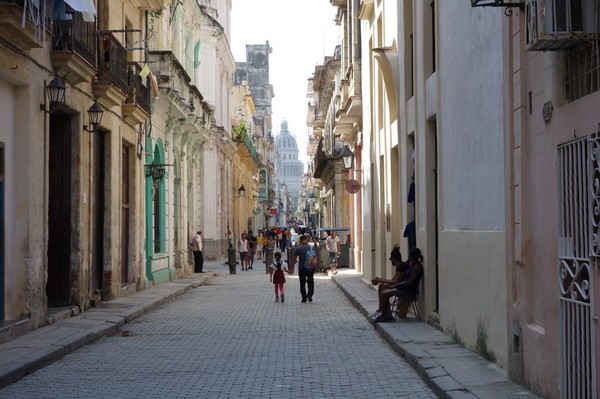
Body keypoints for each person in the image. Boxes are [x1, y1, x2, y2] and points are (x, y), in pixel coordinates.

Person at [373, 247, 423, 323]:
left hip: (408, 290)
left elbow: (409, 282)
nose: (409, 259)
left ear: (414, 257)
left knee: (384, 293)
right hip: (404, 287)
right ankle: (386, 315)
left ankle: (385, 315)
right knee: (384, 293)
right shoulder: (412, 265)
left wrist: (396, 285)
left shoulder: (417, 267)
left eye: (410, 257)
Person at [368, 244, 408, 320]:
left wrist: (381, 279)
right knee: (382, 285)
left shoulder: (402, 267)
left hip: (402, 288)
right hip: (398, 285)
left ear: (394, 259)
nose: (391, 261)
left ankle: (384, 312)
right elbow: (393, 280)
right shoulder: (398, 267)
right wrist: (381, 280)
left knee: (384, 287)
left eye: (391, 260)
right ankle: (382, 310)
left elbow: (396, 281)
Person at [292, 234, 314, 303]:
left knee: (302, 283)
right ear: (306, 240)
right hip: (310, 267)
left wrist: (291, 268)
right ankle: (310, 295)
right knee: (310, 282)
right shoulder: (311, 247)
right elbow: (315, 257)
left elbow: (294, 259)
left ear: (300, 241)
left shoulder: (298, 248)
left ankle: (304, 298)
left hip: (302, 268)